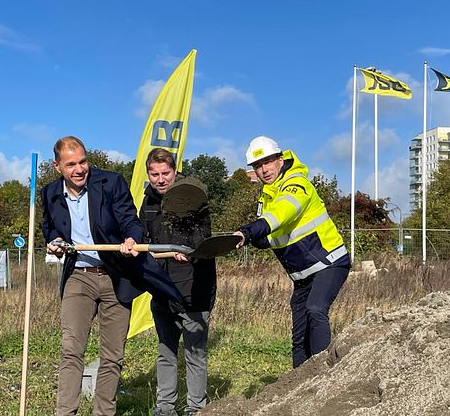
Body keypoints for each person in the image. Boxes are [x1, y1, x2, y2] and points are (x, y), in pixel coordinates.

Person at [42, 136, 181, 416]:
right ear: (58, 166)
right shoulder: (49, 193)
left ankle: (103, 412)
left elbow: (130, 218)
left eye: (83, 161)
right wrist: (55, 240)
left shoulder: (111, 182)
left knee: (112, 356)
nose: (79, 169)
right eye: (71, 165)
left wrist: (131, 238)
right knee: (71, 349)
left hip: (116, 276)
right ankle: (65, 412)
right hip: (78, 276)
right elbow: (49, 226)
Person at [233, 136, 351, 368]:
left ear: (280, 159)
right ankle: (297, 389)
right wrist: (249, 239)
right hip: (302, 275)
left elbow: (282, 213)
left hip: (330, 263)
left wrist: (248, 231)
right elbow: (273, 237)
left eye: (268, 162)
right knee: (298, 338)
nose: (264, 169)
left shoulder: (296, 184)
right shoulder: (267, 198)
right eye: (258, 165)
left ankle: (323, 374)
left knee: (316, 309)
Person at [139, 148, 216, 416]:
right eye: (154, 174)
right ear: (148, 174)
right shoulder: (148, 201)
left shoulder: (192, 197)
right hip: (162, 288)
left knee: (195, 353)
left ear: (174, 171)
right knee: (166, 351)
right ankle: (165, 408)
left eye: (165, 173)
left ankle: (196, 408)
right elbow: (143, 238)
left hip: (195, 289)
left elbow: (203, 237)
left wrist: (188, 250)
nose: (160, 179)